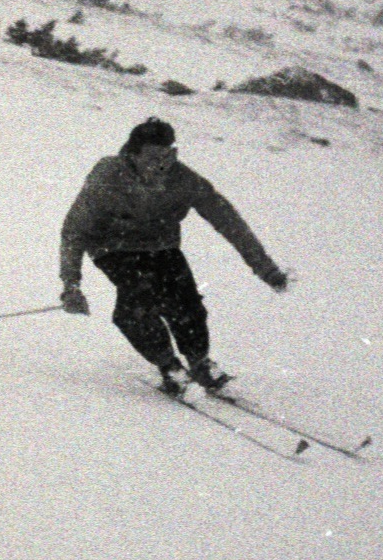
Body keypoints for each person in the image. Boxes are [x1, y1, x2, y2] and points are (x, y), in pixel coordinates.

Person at [59, 116, 290, 393]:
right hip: (113, 246)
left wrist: (266, 269)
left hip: (162, 244)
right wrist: (71, 285)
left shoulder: (184, 180)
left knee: (186, 300)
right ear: (132, 155)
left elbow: (229, 222)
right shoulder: (107, 176)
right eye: (153, 156)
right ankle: (168, 365)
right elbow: (74, 229)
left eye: (169, 155)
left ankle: (200, 362)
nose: (162, 164)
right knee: (138, 300)